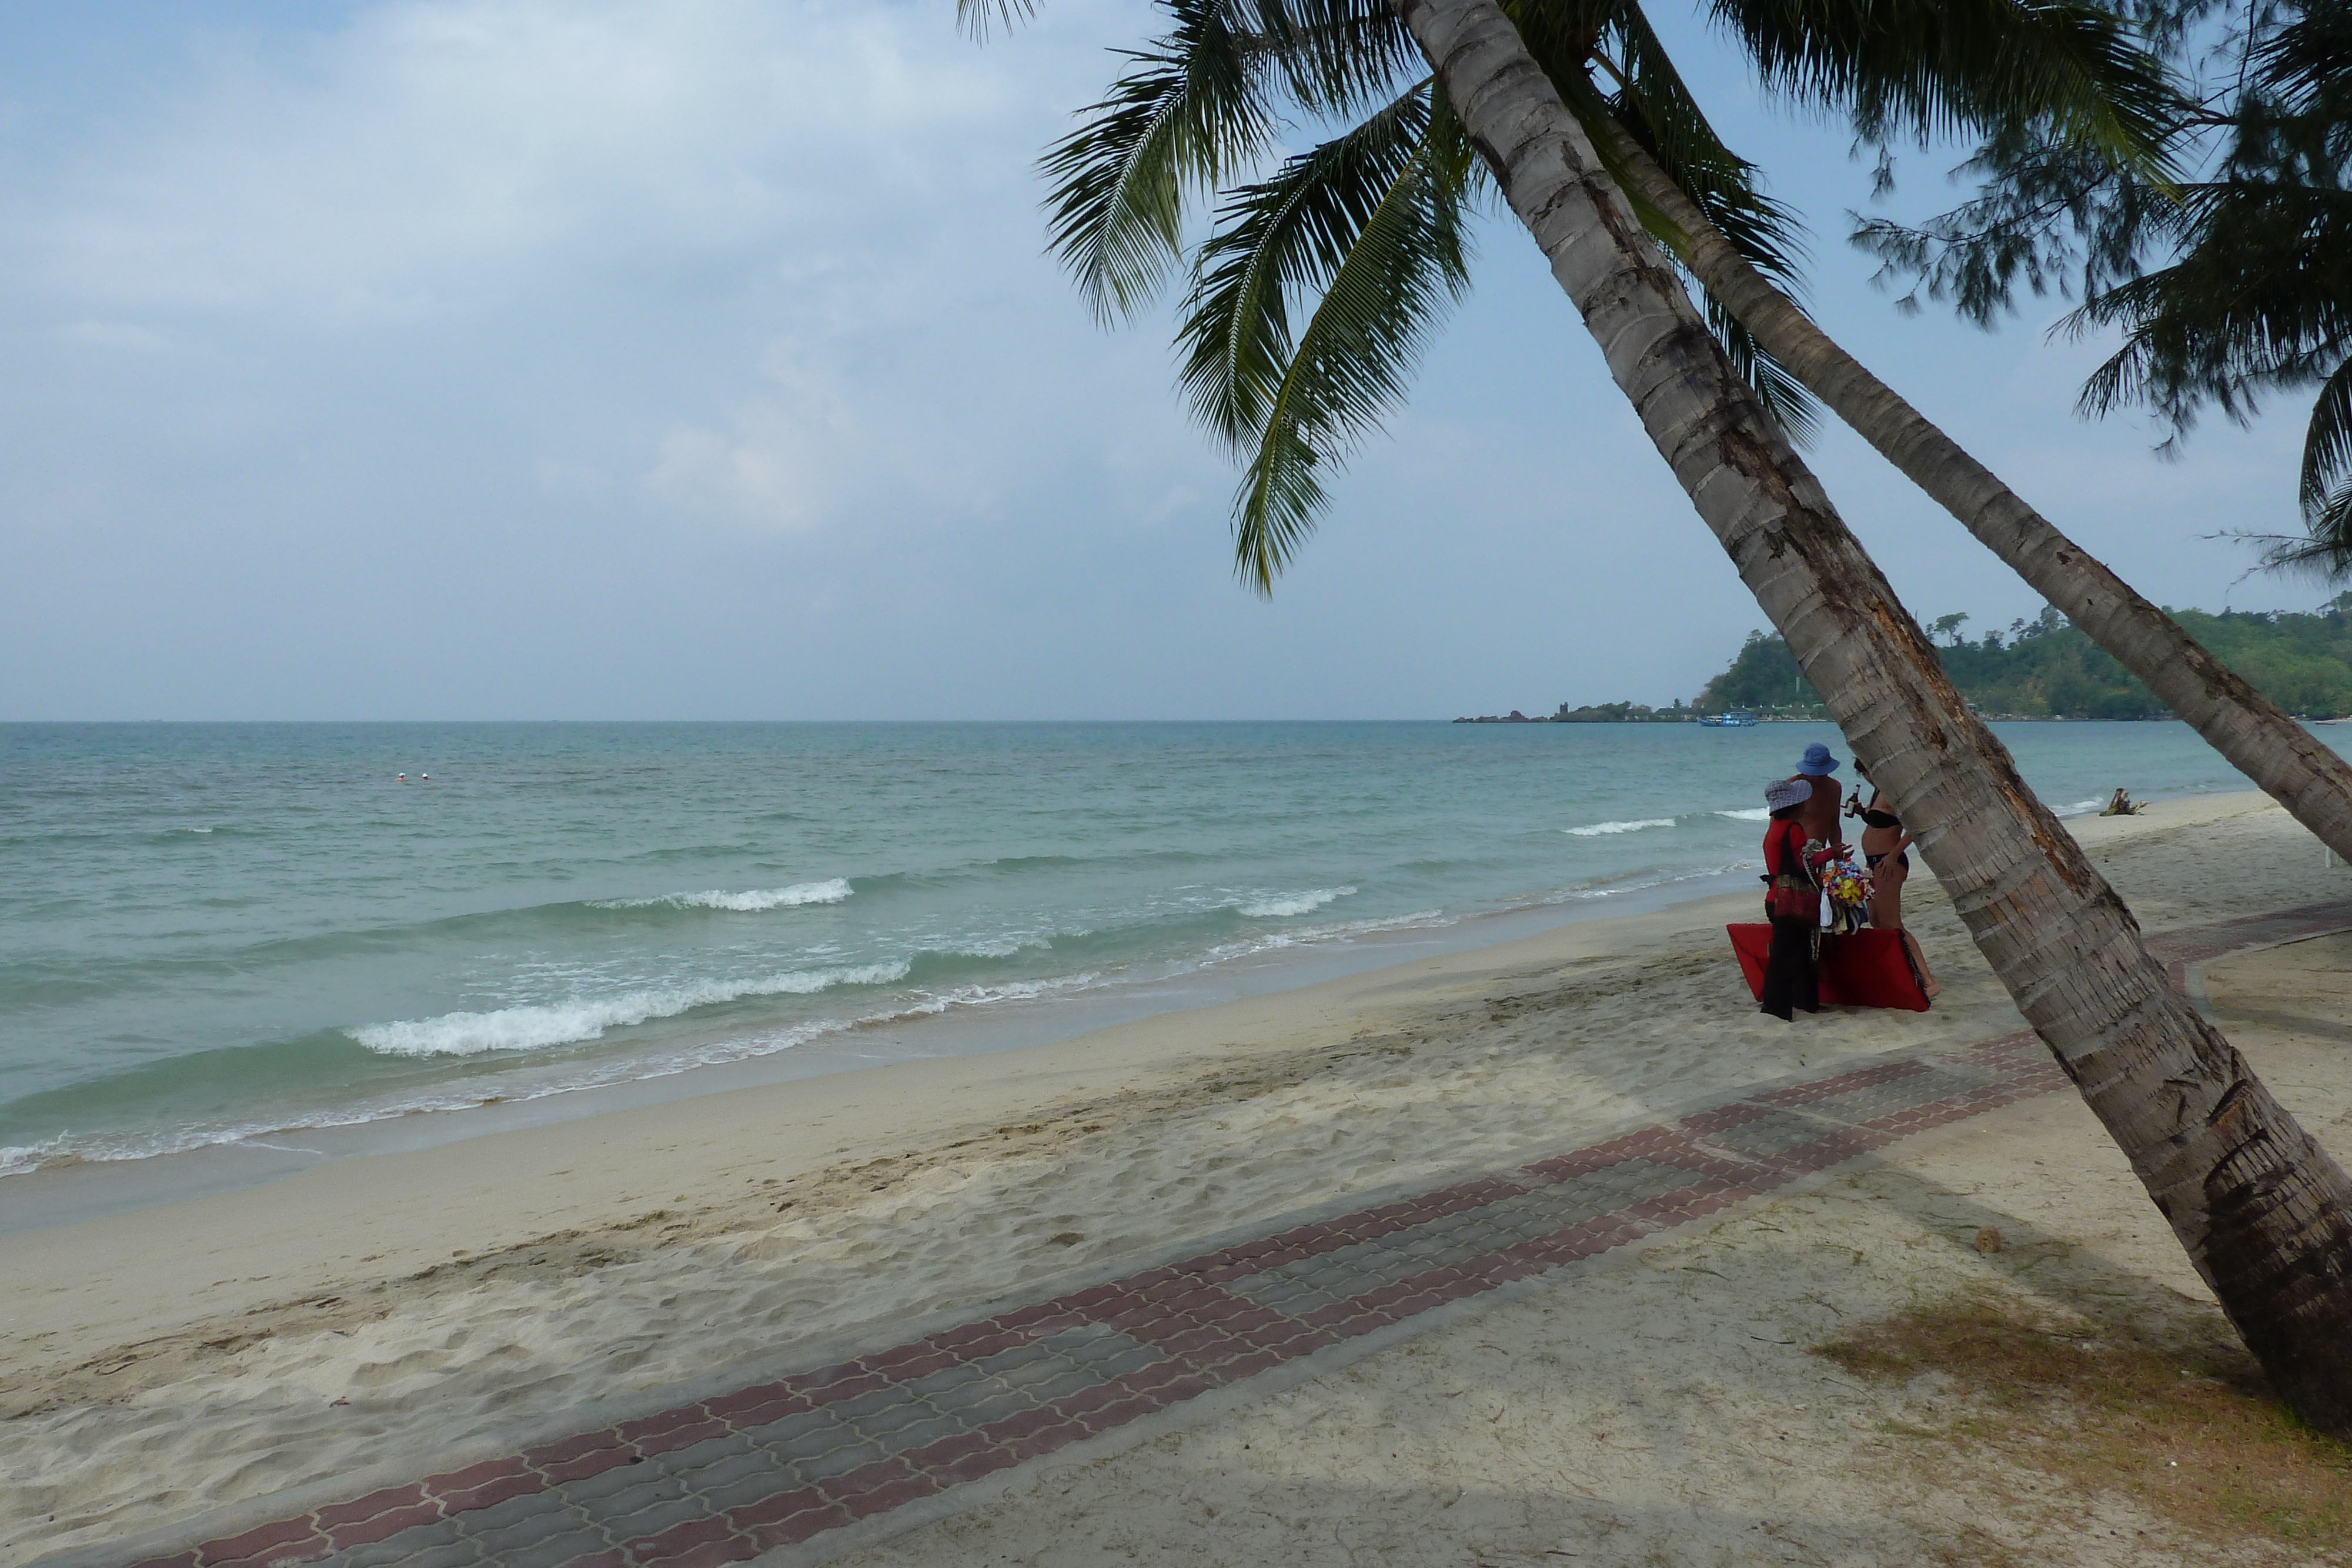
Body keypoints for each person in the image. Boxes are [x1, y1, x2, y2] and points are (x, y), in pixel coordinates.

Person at [1850, 761, 1940, 999]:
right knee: (1877, 921)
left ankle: (1927, 980)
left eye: (1869, 772)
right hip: (1875, 862)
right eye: (1863, 774)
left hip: (1889, 861)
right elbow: (1880, 823)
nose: (1868, 777)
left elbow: (1914, 826)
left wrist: (1893, 856)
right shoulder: (1878, 791)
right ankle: (1902, 971)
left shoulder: (1894, 792)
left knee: (1893, 924)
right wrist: (1862, 812)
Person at [1758, 777, 1820, 1020]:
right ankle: (1776, 1009)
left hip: (1775, 896)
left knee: (1798, 953)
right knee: (1786, 959)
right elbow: (1803, 864)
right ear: (1794, 806)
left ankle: (1804, 1002)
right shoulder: (1793, 830)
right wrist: (1829, 854)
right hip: (1790, 900)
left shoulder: (1774, 827)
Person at [1788, 743, 1844, 852]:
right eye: (1814, 773)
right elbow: (1777, 827)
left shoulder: (1835, 787)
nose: (1817, 777)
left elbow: (1834, 824)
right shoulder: (1792, 786)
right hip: (1794, 854)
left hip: (1820, 853)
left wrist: (1838, 853)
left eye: (1821, 772)